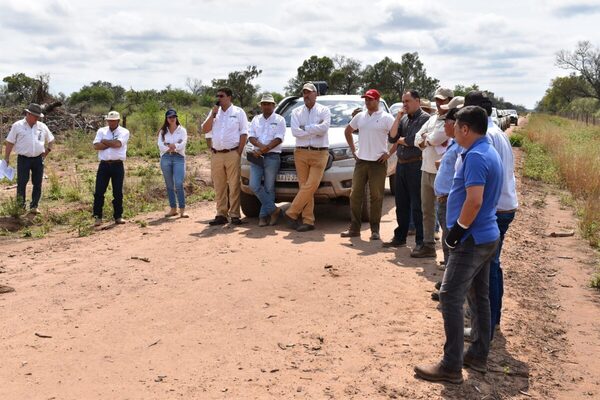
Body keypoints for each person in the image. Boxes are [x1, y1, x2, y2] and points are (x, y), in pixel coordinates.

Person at [414, 106, 503, 384]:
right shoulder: (487, 151)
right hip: (486, 236)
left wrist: (457, 232)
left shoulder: (476, 155)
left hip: (472, 239)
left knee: (450, 296)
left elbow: (474, 200)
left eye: (457, 127)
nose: (453, 131)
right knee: (479, 296)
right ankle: (477, 353)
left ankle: (451, 365)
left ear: (466, 128)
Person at [464, 91, 519, 338]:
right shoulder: (499, 134)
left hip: (495, 210)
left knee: (488, 267)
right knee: (491, 266)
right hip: (503, 206)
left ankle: (488, 323)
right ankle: (490, 320)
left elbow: (484, 184)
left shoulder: (488, 139)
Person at [340, 89, 395, 240]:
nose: (367, 101)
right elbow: (347, 131)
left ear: (378, 100)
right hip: (361, 161)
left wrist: (389, 154)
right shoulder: (360, 116)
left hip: (378, 162)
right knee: (355, 195)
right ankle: (354, 228)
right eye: (366, 99)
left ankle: (375, 230)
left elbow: (397, 137)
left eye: (370, 99)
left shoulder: (386, 118)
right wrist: (353, 150)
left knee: (376, 196)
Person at [383, 90, 430, 249]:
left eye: (408, 101)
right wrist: (397, 118)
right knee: (401, 204)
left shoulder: (425, 119)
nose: (405, 104)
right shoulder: (403, 119)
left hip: (416, 165)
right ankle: (400, 237)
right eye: (403, 101)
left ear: (417, 101)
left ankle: (420, 242)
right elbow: (392, 138)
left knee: (417, 205)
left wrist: (402, 140)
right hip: (401, 165)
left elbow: (413, 141)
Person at [283, 82, 331, 232]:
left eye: (309, 92)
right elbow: (295, 132)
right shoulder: (296, 112)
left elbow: (324, 129)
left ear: (316, 94)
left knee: (311, 185)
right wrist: (313, 129)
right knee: (305, 187)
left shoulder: (324, 110)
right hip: (301, 152)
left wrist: (306, 128)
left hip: (320, 152)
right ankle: (308, 221)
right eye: (304, 93)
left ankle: (291, 212)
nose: (306, 95)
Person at [430, 97, 465, 302]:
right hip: (445, 200)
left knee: (452, 246)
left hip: (451, 201)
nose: (444, 125)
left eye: (447, 122)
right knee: (447, 244)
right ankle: (447, 283)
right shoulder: (455, 143)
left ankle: (450, 291)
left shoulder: (463, 145)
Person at [413, 88, 454, 258]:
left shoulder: (450, 121)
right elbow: (417, 138)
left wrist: (426, 138)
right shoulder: (432, 119)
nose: (439, 103)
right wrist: (425, 139)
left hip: (441, 173)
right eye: (437, 99)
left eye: (443, 100)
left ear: (450, 101)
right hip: (426, 168)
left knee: (445, 214)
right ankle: (428, 245)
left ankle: (449, 252)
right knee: (427, 210)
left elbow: (435, 139)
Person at [202, 87, 248, 226]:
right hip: (216, 154)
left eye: (221, 96)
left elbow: (244, 133)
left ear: (229, 97)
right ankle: (221, 213)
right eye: (217, 96)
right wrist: (212, 115)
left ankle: (234, 214)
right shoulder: (215, 112)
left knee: (234, 184)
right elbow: (205, 129)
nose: (219, 99)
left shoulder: (238, 112)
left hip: (232, 153)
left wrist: (238, 152)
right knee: (219, 185)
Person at [3, 103, 54, 214]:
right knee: (22, 182)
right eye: (35, 116)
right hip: (23, 159)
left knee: (37, 183)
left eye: (38, 116)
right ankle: (20, 207)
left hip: (38, 159)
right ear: (28, 114)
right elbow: (9, 142)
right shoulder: (18, 126)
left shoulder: (42, 126)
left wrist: (47, 151)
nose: (37, 118)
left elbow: (51, 139)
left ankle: (34, 206)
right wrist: (6, 158)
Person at [247, 93, 286, 226]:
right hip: (256, 156)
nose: (266, 106)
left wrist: (263, 150)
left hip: (272, 156)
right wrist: (260, 148)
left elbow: (279, 138)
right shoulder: (256, 119)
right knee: (254, 185)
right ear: (261, 105)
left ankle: (263, 216)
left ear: (274, 105)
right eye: (264, 104)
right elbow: (251, 137)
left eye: (269, 104)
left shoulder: (280, 119)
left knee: (269, 188)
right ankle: (274, 210)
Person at [92, 111, 130, 226]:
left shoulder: (124, 131)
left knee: (117, 192)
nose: (111, 122)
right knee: (99, 191)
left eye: (113, 120)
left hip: (117, 165)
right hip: (104, 165)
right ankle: (97, 217)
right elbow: (96, 146)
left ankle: (118, 216)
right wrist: (110, 143)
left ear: (118, 121)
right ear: (107, 120)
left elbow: (118, 144)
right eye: (109, 120)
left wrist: (104, 141)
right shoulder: (101, 131)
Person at [158, 108, 188, 218]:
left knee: (179, 183)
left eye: (174, 117)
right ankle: (173, 208)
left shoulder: (182, 130)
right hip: (166, 157)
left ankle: (182, 209)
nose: (172, 119)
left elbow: (183, 143)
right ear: (166, 118)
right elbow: (160, 145)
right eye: (170, 117)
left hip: (178, 157)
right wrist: (171, 146)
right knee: (169, 185)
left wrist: (173, 146)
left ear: (176, 118)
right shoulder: (163, 131)